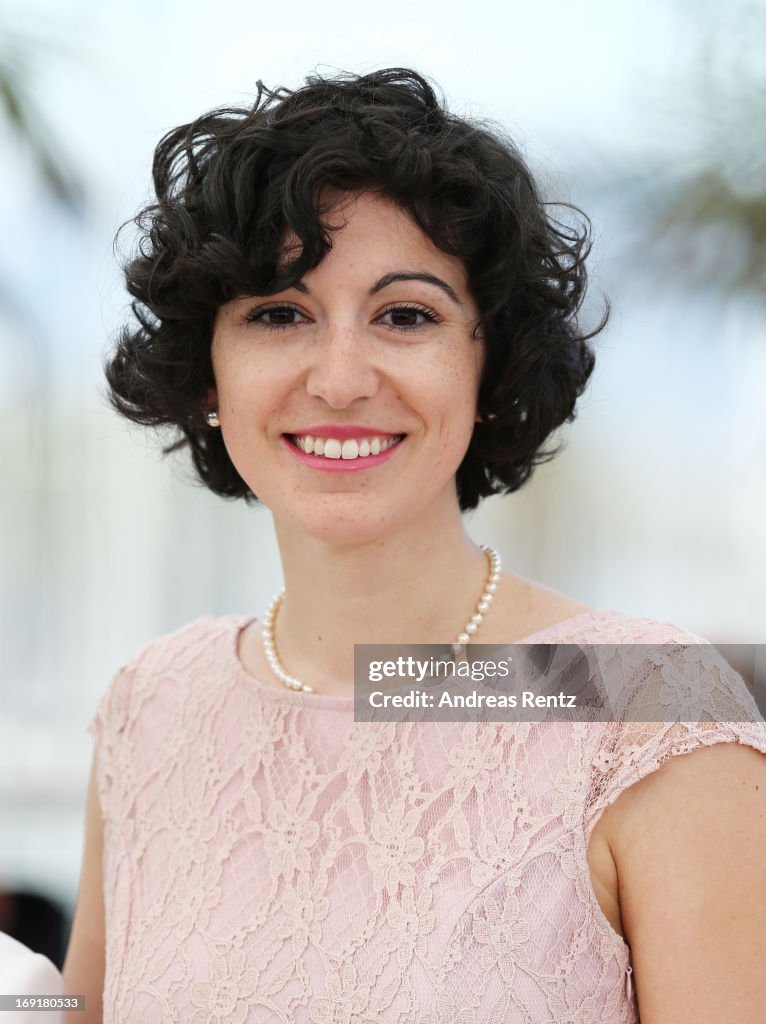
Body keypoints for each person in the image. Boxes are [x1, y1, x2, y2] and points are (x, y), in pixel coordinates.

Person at [63, 68, 766, 1023]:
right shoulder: (152, 705)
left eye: (407, 315)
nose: (342, 378)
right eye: (278, 314)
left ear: (489, 364)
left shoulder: (645, 713)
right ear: (207, 375)